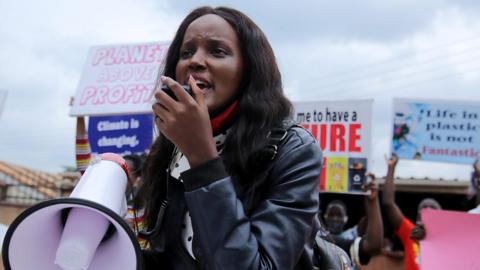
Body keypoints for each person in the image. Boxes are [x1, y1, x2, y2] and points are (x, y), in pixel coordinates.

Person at [141, 6, 322, 269]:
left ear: (248, 71)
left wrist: (202, 160)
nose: (195, 61)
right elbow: (169, 258)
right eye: (186, 52)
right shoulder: (170, 147)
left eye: (217, 51)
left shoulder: (294, 150)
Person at [382, 154, 441, 270]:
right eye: (423, 210)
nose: (427, 212)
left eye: (432, 210)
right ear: (417, 217)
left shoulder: (448, 239)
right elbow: (388, 203)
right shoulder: (410, 231)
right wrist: (391, 168)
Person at [322, 174, 383, 268]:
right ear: (324, 217)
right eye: (332, 215)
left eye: (339, 215)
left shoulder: (347, 240)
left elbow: (373, 244)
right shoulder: (315, 240)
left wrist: (372, 201)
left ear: (346, 218)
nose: (335, 219)